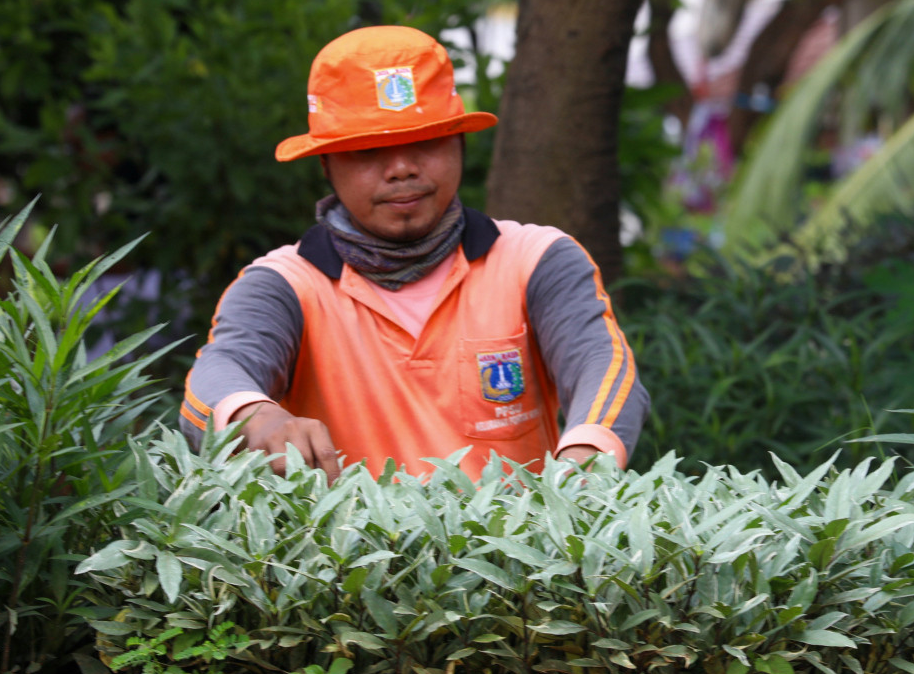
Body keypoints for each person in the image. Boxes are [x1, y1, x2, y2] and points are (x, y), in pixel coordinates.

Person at [179, 26, 649, 483]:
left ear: (460, 143)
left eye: (424, 142)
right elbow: (216, 377)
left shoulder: (536, 259)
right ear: (326, 163)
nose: (401, 168)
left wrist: (585, 462)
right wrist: (256, 418)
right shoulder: (284, 284)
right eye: (368, 150)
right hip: (351, 562)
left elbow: (602, 367)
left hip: (522, 560)